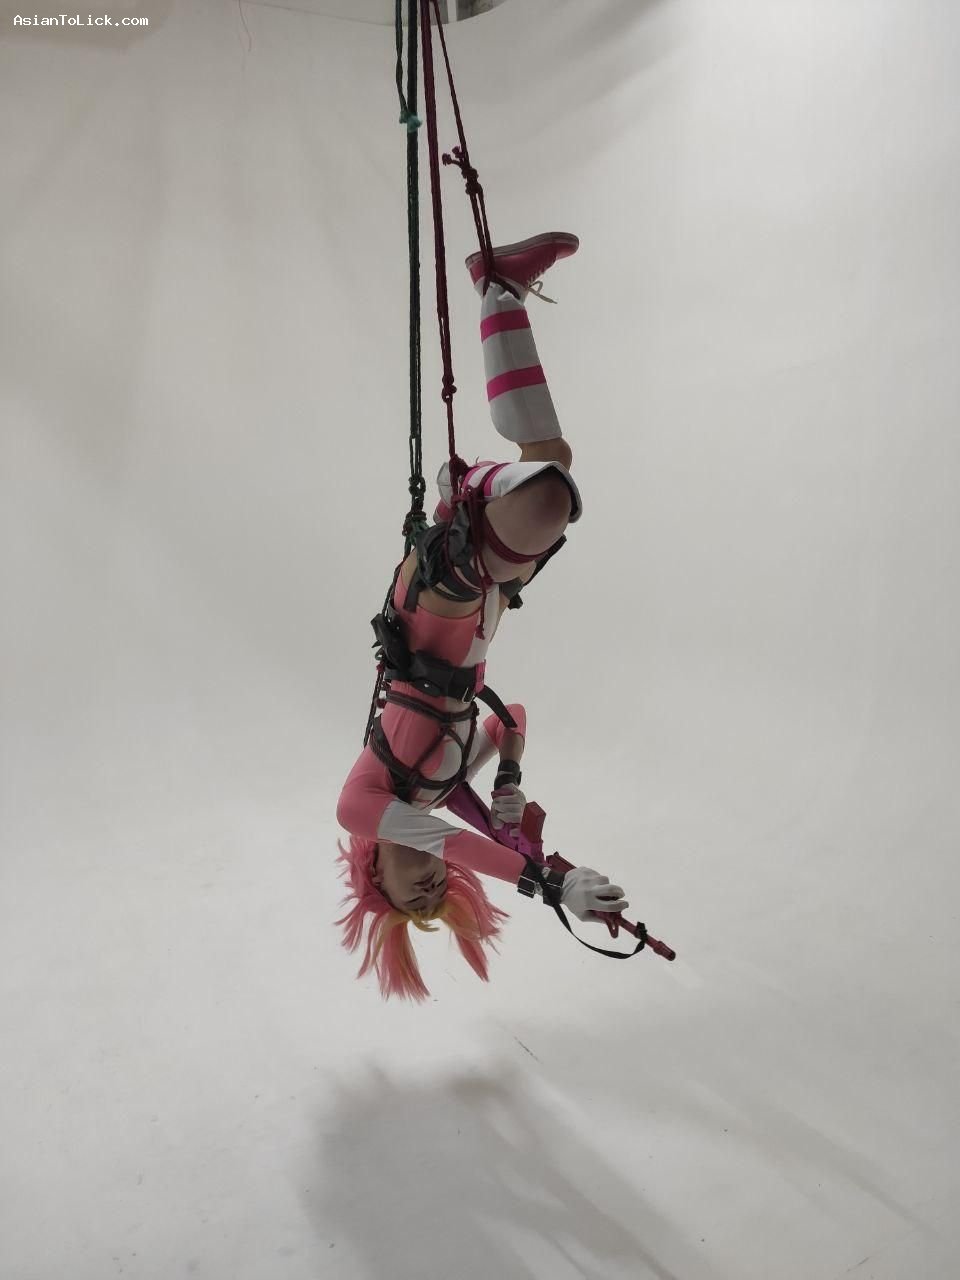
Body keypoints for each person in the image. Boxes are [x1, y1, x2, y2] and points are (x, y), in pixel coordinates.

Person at [336, 232, 630, 1001]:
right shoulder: (436, 790)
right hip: (480, 613)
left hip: (433, 603)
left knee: (542, 500)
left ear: (375, 873)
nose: (432, 890)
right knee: (552, 466)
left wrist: (544, 883)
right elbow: (510, 718)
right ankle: (500, 289)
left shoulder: (363, 807)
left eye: (413, 901)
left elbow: (456, 845)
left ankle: (461, 496)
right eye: (441, 898)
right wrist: (507, 781)